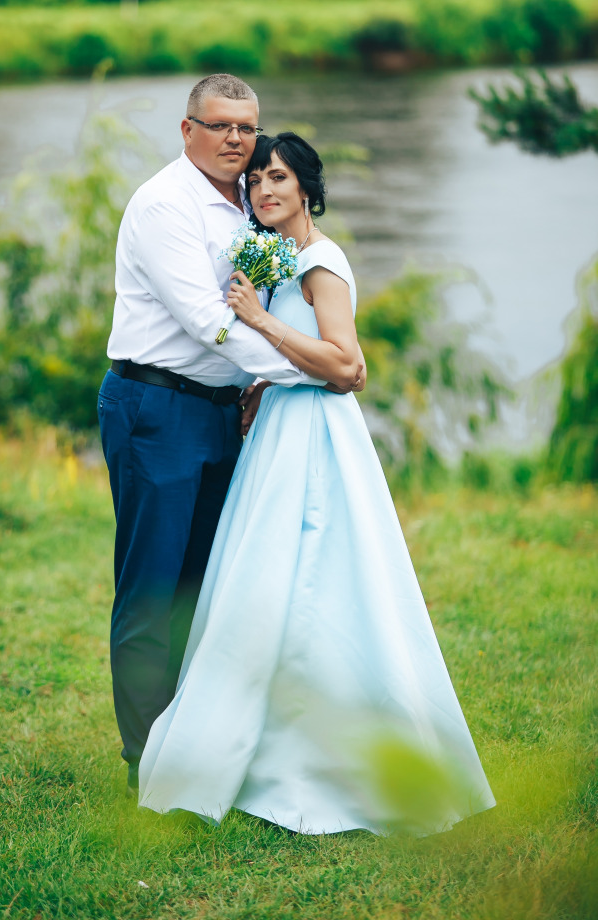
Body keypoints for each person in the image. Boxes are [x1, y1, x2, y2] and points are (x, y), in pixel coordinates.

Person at [138, 133, 495, 835]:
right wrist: (263, 379)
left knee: (315, 579)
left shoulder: (320, 262)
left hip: (317, 440)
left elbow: (345, 365)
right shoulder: (284, 259)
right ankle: (267, 743)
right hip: (280, 430)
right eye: (256, 183)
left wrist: (261, 323)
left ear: (305, 187)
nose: (264, 191)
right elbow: (304, 360)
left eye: (278, 178)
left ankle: (335, 757)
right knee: (267, 582)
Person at [98, 78, 363, 797]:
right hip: (155, 407)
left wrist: (263, 383)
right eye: (220, 127)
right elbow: (207, 321)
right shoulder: (164, 205)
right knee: (153, 586)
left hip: (222, 411)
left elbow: (276, 297)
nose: (236, 140)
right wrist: (308, 375)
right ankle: (144, 762)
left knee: (206, 586)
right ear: (187, 130)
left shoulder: (245, 207)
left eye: (247, 128)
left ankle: (194, 741)